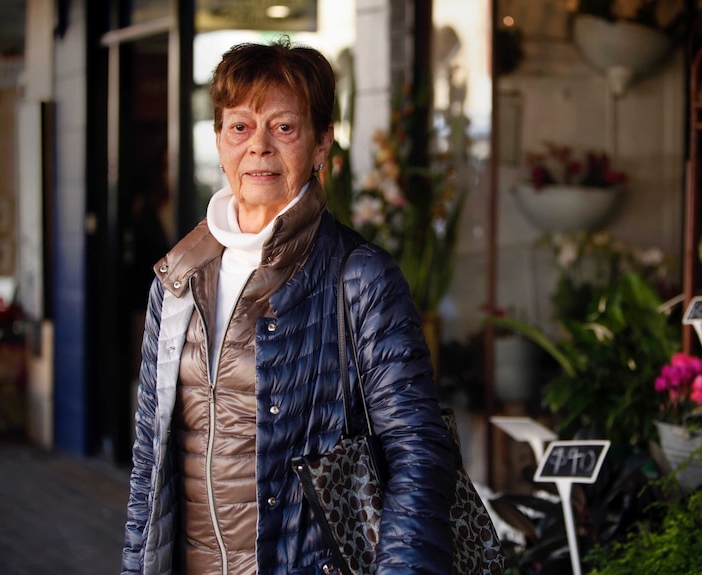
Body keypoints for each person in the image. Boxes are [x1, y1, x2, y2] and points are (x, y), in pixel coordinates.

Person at [121, 37, 455, 575]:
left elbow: (416, 451)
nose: (258, 146)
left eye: (284, 126)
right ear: (218, 138)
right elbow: (149, 461)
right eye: (240, 126)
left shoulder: (360, 276)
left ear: (322, 144)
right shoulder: (178, 275)